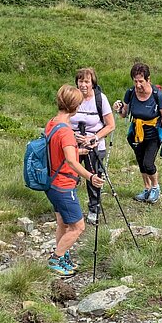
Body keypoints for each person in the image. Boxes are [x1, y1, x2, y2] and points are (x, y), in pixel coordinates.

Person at [45, 84, 103, 277]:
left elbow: (59, 152)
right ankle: (56, 258)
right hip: (63, 185)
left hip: (51, 183)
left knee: (62, 223)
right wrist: (91, 177)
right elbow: (70, 160)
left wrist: (78, 150)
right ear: (75, 106)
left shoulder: (52, 123)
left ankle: (63, 257)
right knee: (78, 227)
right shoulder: (67, 131)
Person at [113, 62, 162, 204]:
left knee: (148, 163)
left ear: (148, 80)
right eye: (135, 81)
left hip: (153, 134)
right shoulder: (131, 93)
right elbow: (124, 114)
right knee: (140, 162)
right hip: (136, 133)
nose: (138, 85)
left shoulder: (157, 95)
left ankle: (155, 188)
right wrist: (118, 108)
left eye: (141, 81)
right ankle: (146, 189)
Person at [70, 68, 115, 224]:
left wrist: (94, 137)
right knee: (70, 176)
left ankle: (94, 209)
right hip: (73, 144)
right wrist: (72, 134)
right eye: (80, 81)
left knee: (93, 177)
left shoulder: (100, 99)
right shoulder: (72, 98)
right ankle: (69, 208)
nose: (83, 85)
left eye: (87, 81)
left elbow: (110, 125)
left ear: (93, 83)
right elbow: (63, 119)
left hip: (95, 144)